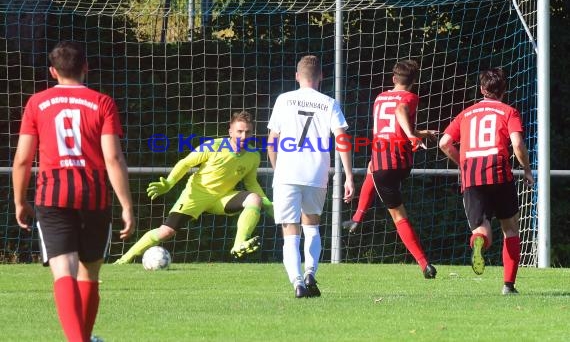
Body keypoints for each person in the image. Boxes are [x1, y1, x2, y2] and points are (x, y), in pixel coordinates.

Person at [12, 41, 135, 342]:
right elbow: (113, 158)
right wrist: (127, 205)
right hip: (93, 195)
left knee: (63, 271)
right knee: (89, 273)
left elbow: (23, 159)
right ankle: (84, 337)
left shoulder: (37, 103)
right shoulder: (102, 102)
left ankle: (78, 340)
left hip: (52, 195)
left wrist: (19, 201)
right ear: (85, 68)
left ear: (53, 71)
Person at [114, 111, 273, 264]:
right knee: (166, 232)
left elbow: (251, 183)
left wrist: (268, 204)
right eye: (239, 131)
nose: (243, 136)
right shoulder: (213, 146)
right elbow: (186, 163)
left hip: (222, 198)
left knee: (254, 199)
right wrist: (169, 183)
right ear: (230, 131)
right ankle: (124, 259)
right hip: (196, 195)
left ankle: (238, 244)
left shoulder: (253, 155)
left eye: (248, 132)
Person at [439, 67, 534, 295]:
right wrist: (527, 170)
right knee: (510, 229)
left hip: (471, 172)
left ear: (482, 89)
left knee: (481, 227)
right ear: (504, 89)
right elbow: (518, 144)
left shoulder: (466, 113)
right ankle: (508, 285)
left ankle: (479, 241)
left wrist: (462, 162)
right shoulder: (508, 112)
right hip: (499, 170)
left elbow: (444, 142)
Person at [267, 55, 354, 298]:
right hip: (316, 173)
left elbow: (271, 142)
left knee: (290, 230)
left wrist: (278, 170)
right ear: (321, 77)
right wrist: (348, 175)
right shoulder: (329, 102)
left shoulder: (283, 100)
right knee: (312, 225)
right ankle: (310, 273)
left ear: (297, 76)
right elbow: (342, 139)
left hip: (287, 173)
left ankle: (297, 283)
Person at [364, 59, 438, 279]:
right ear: (413, 81)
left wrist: (412, 134)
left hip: (383, 159)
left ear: (393, 79)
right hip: (402, 162)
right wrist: (417, 135)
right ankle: (357, 218)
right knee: (375, 173)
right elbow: (401, 111)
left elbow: (396, 114)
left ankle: (424, 264)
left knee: (398, 215)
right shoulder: (411, 97)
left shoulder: (378, 99)